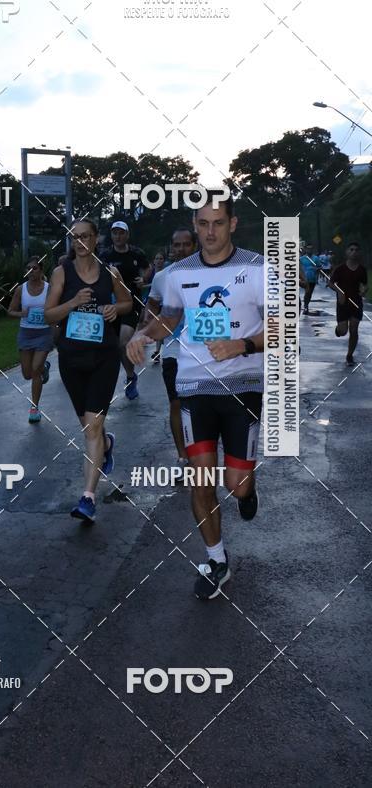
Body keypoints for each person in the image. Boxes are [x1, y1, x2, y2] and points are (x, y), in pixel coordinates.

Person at [127, 194, 265, 600]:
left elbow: (281, 327)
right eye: (202, 223)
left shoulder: (258, 268)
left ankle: (248, 489)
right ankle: (217, 560)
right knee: (200, 479)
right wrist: (141, 334)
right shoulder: (177, 273)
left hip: (242, 386)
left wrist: (241, 345)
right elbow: (169, 319)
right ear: (195, 223)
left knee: (236, 486)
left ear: (233, 224)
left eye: (218, 223)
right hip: (194, 387)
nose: (209, 232)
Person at [44, 219, 132, 522]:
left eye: (85, 236)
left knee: (92, 427)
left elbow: (127, 301)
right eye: (74, 237)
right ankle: (107, 445)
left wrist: (113, 309)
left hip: (103, 359)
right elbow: (48, 315)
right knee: (89, 427)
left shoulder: (110, 272)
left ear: (96, 239)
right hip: (71, 359)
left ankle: (87, 497)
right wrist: (72, 303)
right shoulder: (60, 273)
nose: (80, 242)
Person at [143, 228, 197, 466]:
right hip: (174, 349)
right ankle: (182, 455)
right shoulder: (162, 277)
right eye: (177, 245)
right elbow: (152, 304)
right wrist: (150, 318)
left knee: (200, 405)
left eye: (186, 244)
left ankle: (200, 448)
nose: (182, 249)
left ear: (194, 246)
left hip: (205, 351)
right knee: (176, 403)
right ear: (171, 248)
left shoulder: (209, 272)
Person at [99, 221, 150, 399]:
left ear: (127, 235)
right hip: (111, 304)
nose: (118, 236)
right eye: (115, 233)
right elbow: (97, 273)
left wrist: (143, 280)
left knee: (123, 341)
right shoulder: (105, 255)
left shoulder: (136, 253)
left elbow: (148, 268)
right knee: (113, 346)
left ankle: (130, 378)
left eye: (121, 233)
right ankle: (128, 375)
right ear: (111, 236)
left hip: (132, 302)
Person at [8, 257, 53, 423]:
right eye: (28, 268)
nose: (30, 271)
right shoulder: (21, 289)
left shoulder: (49, 288)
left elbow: (55, 308)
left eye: (34, 268)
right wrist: (22, 314)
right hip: (26, 333)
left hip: (43, 333)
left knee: (34, 370)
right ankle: (44, 368)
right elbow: (10, 311)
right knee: (27, 374)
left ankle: (34, 407)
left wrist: (48, 314)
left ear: (41, 270)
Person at [330, 242, 368, 366]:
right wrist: (340, 292)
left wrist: (364, 290)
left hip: (356, 302)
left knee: (354, 329)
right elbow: (331, 283)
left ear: (359, 253)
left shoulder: (362, 269)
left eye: (356, 250)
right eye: (351, 249)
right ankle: (339, 329)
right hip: (343, 303)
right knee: (343, 331)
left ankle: (350, 355)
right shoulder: (340, 269)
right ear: (347, 252)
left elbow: (365, 285)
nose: (354, 252)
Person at [299, 243, 321, 314]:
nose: (309, 250)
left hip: (312, 279)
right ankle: (305, 306)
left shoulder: (316, 258)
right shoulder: (301, 259)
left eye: (311, 248)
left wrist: (316, 269)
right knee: (307, 292)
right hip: (304, 279)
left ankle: (306, 304)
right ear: (305, 249)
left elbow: (320, 267)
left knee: (309, 293)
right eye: (308, 248)